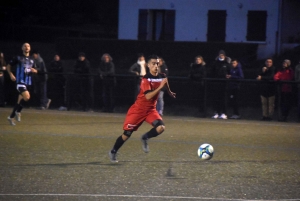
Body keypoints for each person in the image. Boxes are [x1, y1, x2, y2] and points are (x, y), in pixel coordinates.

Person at [108, 55, 176, 163]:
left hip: (150, 110)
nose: (156, 65)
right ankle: (113, 151)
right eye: (153, 63)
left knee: (161, 127)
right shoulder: (145, 79)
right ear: (148, 65)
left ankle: (145, 137)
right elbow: (148, 96)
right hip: (138, 110)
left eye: (157, 63)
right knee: (127, 134)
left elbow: (165, 81)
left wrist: (169, 92)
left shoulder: (162, 75)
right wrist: (160, 87)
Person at [6, 43, 38, 126]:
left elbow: (35, 69)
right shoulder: (18, 57)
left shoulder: (32, 59)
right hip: (20, 82)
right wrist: (11, 74)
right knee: (27, 97)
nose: (26, 47)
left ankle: (11, 116)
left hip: (28, 82)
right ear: (22, 48)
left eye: (28, 46)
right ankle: (18, 111)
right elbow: (8, 66)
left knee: (20, 101)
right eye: (25, 46)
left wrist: (35, 71)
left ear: (30, 48)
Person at [211, 50, 231, 119]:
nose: (221, 55)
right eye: (220, 54)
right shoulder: (215, 63)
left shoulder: (227, 64)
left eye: (222, 55)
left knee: (224, 99)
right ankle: (216, 112)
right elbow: (212, 72)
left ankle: (224, 113)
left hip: (224, 84)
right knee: (216, 99)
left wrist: (229, 76)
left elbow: (230, 72)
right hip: (216, 84)